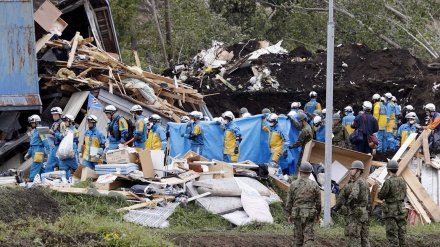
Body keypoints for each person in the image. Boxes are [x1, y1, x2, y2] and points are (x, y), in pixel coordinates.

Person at [333, 160, 371, 247]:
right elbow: (369, 199)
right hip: (364, 214)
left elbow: (354, 195)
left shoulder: (357, 182)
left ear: (359, 171)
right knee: (365, 239)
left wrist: (347, 205)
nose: (350, 171)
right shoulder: (365, 181)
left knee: (354, 238)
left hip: (356, 214)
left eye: (353, 169)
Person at [285, 162, 321, 247]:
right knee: (308, 237)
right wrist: (318, 214)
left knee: (298, 237)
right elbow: (318, 202)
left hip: (296, 214)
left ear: (300, 172)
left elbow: (289, 202)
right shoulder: (314, 185)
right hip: (310, 214)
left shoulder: (293, 184)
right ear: (310, 173)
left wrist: (289, 215)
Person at [378, 160, 407, 247]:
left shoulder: (388, 182)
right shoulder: (402, 181)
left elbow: (381, 195)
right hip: (401, 210)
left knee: (392, 235)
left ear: (388, 170)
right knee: (402, 234)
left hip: (391, 211)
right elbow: (405, 194)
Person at [24, 115, 50, 182]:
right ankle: (46, 178)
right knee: (40, 167)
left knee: (35, 166)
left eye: (33, 122)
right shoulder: (35, 130)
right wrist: (29, 152)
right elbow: (32, 143)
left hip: (38, 150)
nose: (31, 124)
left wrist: (49, 152)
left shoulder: (41, 130)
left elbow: (45, 141)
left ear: (37, 122)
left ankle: (32, 180)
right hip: (34, 150)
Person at [58, 115, 79, 179]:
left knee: (76, 169)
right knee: (63, 170)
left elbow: (75, 142)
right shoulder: (65, 130)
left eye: (66, 121)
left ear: (70, 122)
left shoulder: (75, 131)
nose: (64, 123)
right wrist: (62, 135)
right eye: (64, 121)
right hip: (64, 154)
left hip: (71, 153)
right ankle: (65, 183)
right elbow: (60, 138)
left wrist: (74, 151)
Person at [45, 107, 65, 172]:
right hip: (54, 147)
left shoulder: (62, 124)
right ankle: (48, 180)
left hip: (60, 147)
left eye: (56, 115)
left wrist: (53, 133)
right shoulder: (54, 124)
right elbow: (52, 134)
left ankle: (67, 180)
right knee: (49, 165)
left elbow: (63, 136)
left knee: (62, 166)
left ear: (60, 115)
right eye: (53, 115)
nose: (54, 116)